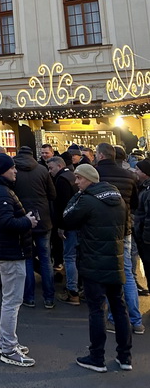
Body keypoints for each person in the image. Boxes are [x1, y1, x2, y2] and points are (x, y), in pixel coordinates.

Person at [62, 163, 132, 372]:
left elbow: (67, 218)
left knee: (96, 310)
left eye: (79, 179)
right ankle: (125, 357)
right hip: (115, 260)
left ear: (89, 180)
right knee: (119, 309)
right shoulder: (118, 200)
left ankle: (97, 357)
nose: (76, 183)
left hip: (93, 263)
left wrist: (78, 196)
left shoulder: (87, 201)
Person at [0, 152, 38, 367]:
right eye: (12, 167)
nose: (15, 171)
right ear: (2, 170)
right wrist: (27, 221)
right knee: (12, 301)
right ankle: (8, 347)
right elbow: (6, 223)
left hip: (7, 251)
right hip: (11, 252)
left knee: (11, 300)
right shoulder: (1, 193)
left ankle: (7, 342)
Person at [94, 141, 144, 333]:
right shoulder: (130, 176)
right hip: (125, 228)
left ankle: (114, 318)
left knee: (109, 274)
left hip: (103, 230)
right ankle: (136, 320)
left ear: (100, 155)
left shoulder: (97, 175)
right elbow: (135, 204)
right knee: (128, 273)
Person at [12, 145, 56, 308]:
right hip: (42, 217)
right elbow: (52, 194)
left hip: (23, 218)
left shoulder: (14, 170)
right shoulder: (43, 170)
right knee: (45, 258)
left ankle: (29, 297)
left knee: (27, 258)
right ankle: (49, 298)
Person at [47, 156, 79, 304]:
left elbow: (63, 205)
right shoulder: (72, 176)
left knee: (69, 257)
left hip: (69, 225)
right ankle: (77, 287)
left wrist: (61, 226)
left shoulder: (61, 180)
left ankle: (72, 291)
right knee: (76, 257)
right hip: (78, 223)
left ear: (59, 166)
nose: (50, 171)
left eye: (51, 168)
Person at [133, 158, 150, 289]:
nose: (135, 171)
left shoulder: (147, 191)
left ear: (145, 173)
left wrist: (145, 238)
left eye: (138, 169)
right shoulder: (143, 188)